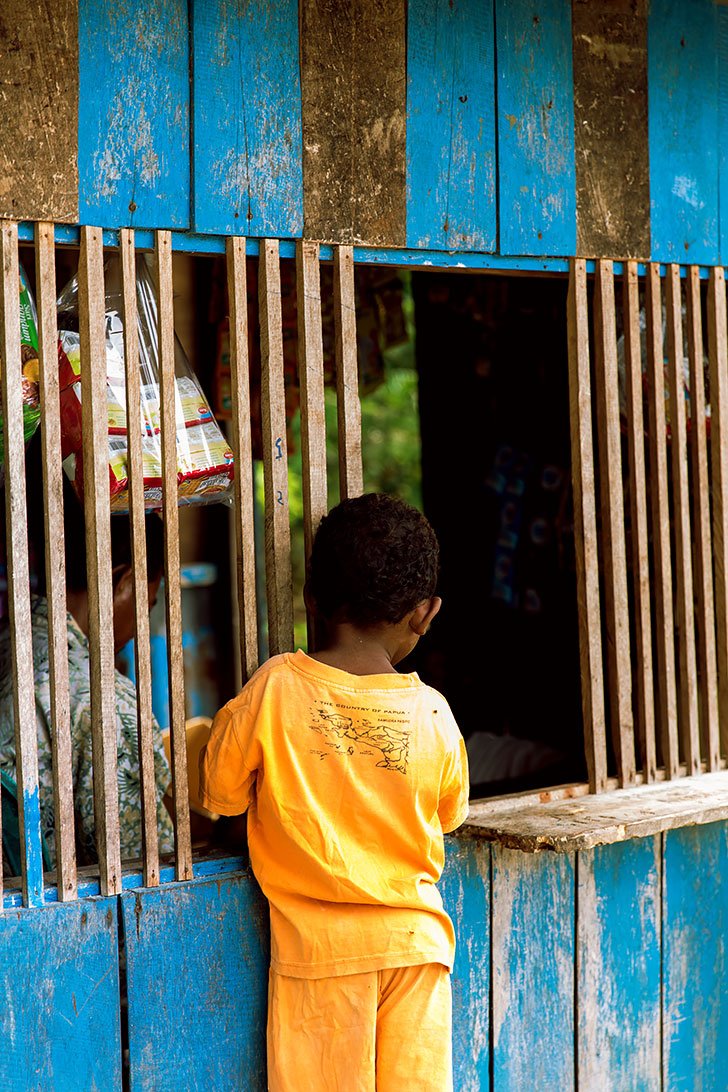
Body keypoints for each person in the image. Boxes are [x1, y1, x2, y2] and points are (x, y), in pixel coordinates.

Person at [199, 493, 469, 1091]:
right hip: (418, 952)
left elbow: (217, 796)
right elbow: (449, 815)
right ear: (425, 614)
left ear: (312, 601)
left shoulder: (273, 691)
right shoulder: (433, 715)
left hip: (320, 964)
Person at [0, 481, 175, 869]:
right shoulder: (106, 703)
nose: (137, 631)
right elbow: (142, 864)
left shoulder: (10, 640)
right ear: (123, 580)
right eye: (146, 605)